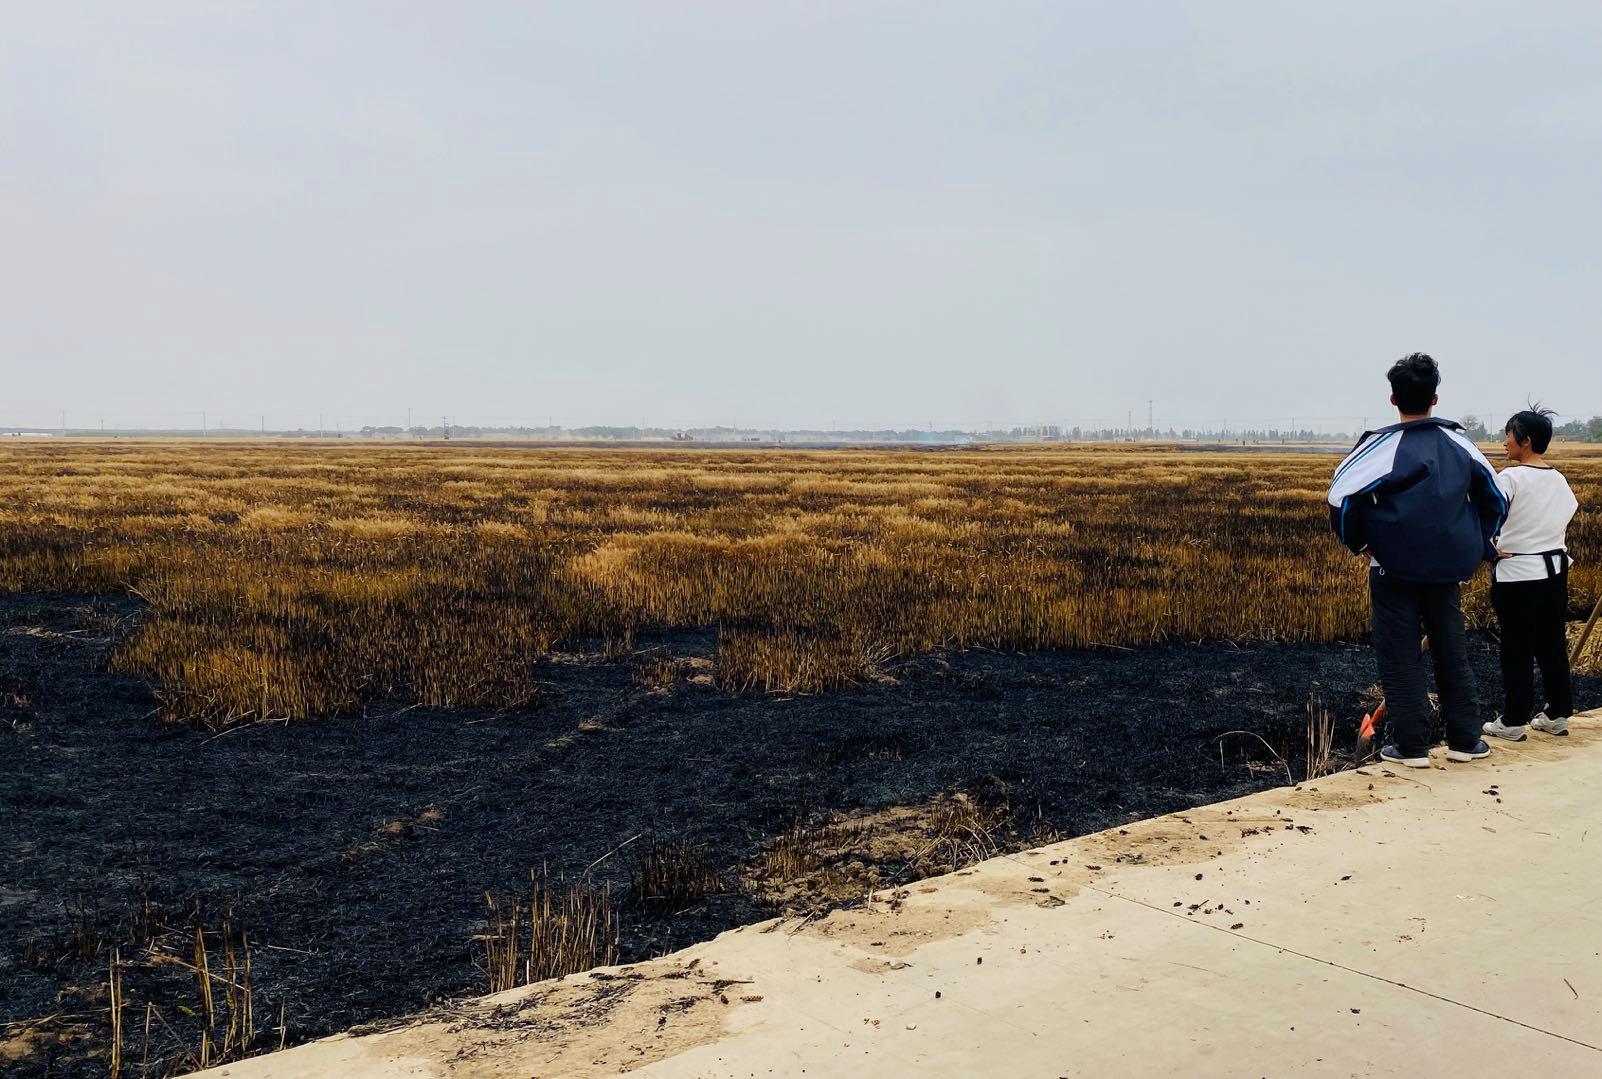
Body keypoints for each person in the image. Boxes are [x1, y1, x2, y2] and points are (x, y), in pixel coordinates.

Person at [1327, 353, 1506, 767]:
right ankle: (1466, 741)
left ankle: (1411, 747)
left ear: (1392, 399)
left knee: (1399, 655)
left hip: (1392, 569)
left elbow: (1340, 500)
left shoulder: (1379, 446)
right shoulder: (1462, 445)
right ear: (1436, 399)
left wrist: (1359, 544)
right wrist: (1478, 543)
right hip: (1448, 570)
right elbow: (1495, 499)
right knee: (1450, 649)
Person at [1481, 407, 1579, 740]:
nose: (1505, 441)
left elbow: (1486, 512)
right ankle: (1557, 714)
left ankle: (1513, 721)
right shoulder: (1558, 479)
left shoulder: (1510, 478)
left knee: (1516, 647)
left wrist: (1489, 548)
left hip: (1518, 575)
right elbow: (1569, 510)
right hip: (1554, 572)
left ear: (1525, 440)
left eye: (1509, 434)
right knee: (1551, 643)